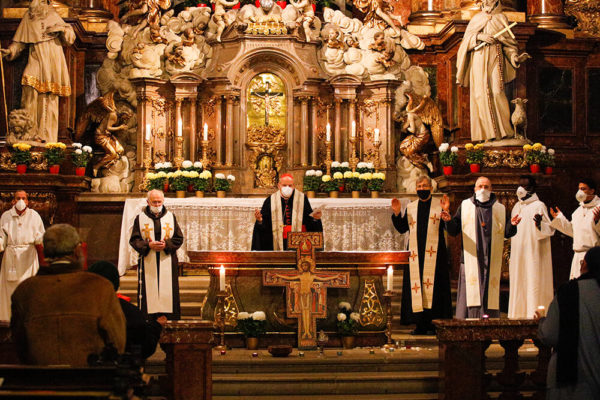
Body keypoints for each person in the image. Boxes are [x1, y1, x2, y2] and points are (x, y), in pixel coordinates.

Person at [11, 224, 126, 366]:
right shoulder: (100, 288)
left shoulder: (25, 290)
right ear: (78, 251)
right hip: (90, 380)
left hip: (40, 381)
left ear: (45, 252)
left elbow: (18, 344)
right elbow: (117, 341)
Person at [442, 176, 521, 319]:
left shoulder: (499, 209)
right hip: (470, 259)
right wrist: (448, 220)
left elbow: (506, 232)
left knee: (488, 294)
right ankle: (466, 326)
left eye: (486, 187)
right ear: (475, 189)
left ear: (491, 190)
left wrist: (513, 225)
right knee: (469, 294)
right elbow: (454, 230)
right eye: (480, 186)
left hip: (491, 260)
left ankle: (489, 324)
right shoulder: (465, 206)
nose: (483, 189)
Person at [0, 0, 75, 143]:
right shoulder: (28, 17)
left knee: (50, 97)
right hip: (36, 57)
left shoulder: (53, 14)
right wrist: (10, 51)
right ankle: (29, 134)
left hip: (53, 59)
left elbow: (70, 37)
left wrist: (62, 30)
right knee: (29, 90)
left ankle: (48, 138)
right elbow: (19, 42)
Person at [456, 0, 530, 142]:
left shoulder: (502, 18)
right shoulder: (476, 19)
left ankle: (505, 132)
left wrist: (514, 56)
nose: (487, 2)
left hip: (496, 56)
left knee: (497, 91)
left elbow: (509, 44)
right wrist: (478, 37)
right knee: (480, 94)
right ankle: (486, 135)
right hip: (478, 57)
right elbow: (465, 42)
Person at [391, 176, 452, 334]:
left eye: (425, 186)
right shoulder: (411, 207)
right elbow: (402, 228)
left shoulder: (439, 207)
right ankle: (419, 324)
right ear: (416, 188)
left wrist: (446, 212)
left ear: (431, 189)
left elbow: (450, 228)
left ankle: (434, 324)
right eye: (419, 186)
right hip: (415, 255)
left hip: (435, 254)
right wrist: (397, 214)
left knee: (435, 288)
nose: (422, 188)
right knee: (417, 288)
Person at [537, 246, 600, 399]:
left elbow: (550, 335)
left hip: (569, 382)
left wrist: (541, 321)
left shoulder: (568, 292)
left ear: (584, 265)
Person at [89, 261, 164, 360]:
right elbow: (145, 347)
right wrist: (156, 327)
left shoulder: (78, 307)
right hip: (119, 371)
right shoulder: (129, 311)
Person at [129, 189, 183, 320]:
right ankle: (148, 318)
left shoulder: (171, 217)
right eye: (154, 202)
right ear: (148, 202)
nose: (157, 205)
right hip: (148, 258)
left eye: (159, 202)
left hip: (167, 259)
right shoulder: (140, 218)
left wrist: (167, 245)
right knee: (149, 290)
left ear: (163, 201)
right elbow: (134, 240)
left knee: (168, 291)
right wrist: (148, 246)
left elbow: (178, 238)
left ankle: (169, 317)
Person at [508, 176, 554, 319]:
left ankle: (533, 319)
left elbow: (550, 229)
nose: (521, 189)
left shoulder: (539, 205)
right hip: (518, 252)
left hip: (533, 253)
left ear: (532, 189)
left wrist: (540, 225)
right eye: (519, 185)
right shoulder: (517, 206)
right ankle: (517, 317)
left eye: (525, 186)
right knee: (519, 282)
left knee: (533, 282)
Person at [0, 190, 45, 322]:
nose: (21, 201)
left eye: (23, 198)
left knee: (28, 288)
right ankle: (7, 318)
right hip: (11, 257)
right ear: (13, 201)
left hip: (28, 256)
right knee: (10, 289)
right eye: (18, 198)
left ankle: (29, 318)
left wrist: (39, 239)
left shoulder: (34, 215)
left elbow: (40, 234)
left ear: (27, 201)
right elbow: (2, 237)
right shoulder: (6, 216)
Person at [252, 173, 323, 251]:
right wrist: (260, 220)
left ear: (294, 186)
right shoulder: (270, 200)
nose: (287, 188)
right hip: (276, 240)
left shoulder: (302, 199)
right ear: (279, 186)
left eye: (290, 185)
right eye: (284, 185)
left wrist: (315, 218)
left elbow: (309, 221)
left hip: (299, 241)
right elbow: (265, 225)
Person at [549, 178, 600, 280]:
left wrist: (597, 221)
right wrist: (560, 219)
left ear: (592, 190)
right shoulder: (577, 212)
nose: (579, 192)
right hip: (578, 256)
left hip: (594, 257)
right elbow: (574, 232)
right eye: (579, 188)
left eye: (583, 189)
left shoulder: (598, 208)